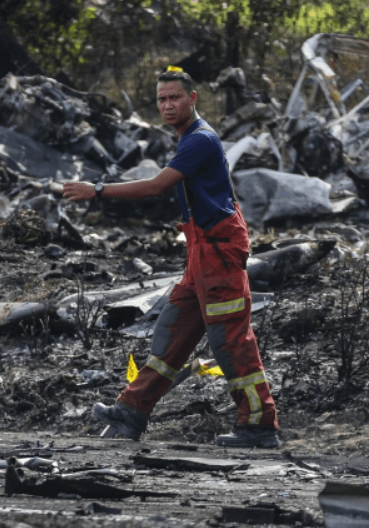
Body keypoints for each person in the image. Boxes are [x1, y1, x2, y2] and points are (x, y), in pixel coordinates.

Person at [62, 67, 279, 448]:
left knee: (230, 342)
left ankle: (259, 425)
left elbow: (158, 185)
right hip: (200, 252)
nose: (167, 105)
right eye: (162, 99)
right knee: (172, 331)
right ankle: (132, 411)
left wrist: (97, 189)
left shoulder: (201, 140)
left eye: (175, 97)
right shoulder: (188, 140)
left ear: (192, 99)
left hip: (218, 252)